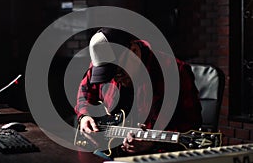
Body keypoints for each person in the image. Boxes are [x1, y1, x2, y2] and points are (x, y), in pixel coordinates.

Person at [74, 28, 202, 157]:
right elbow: (84, 94)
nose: (115, 79)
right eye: (108, 76)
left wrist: (153, 143)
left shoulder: (174, 72)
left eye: (119, 72)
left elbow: (190, 124)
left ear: (134, 51)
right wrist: (84, 116)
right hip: (108, 154)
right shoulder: (101, 65)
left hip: (155, 157)